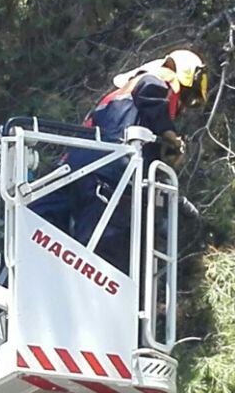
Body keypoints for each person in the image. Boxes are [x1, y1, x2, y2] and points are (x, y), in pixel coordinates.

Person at [31, 50, 207, 273]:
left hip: (75, 170)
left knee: (42, 233)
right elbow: (150, 94)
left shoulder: (119, 97)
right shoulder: (162, 78)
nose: (180, 105)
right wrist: (169, 134)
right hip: (108, 178)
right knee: (104, 261)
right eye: (184, 97)